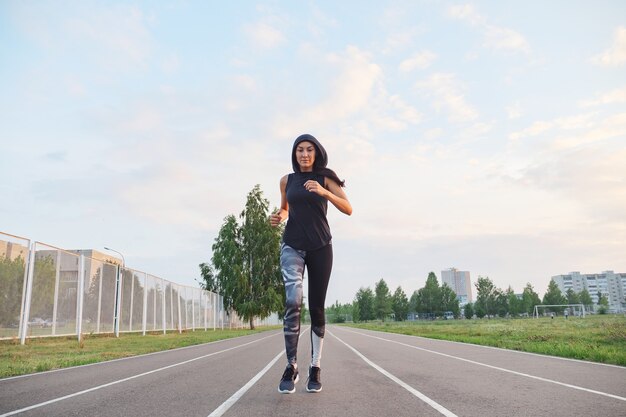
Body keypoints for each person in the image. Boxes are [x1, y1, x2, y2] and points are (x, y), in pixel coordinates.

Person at [270, 134, 352, 394]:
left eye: (309, 150)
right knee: (293, 301)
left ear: (316, 153)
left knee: (316, 308)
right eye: (300, 150)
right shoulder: (287, 181)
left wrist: (324, 191)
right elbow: (286, 209)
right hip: (292, 245)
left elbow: (348, 208)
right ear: (294, 154)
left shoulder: (325, 178)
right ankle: (291, 365)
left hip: (320, 247)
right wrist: (279, 216)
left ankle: (315, 367)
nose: (304, 154)